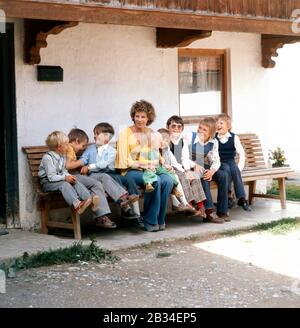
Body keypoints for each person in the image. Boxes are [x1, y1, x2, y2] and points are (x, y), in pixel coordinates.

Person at [115, 100, 174, 232]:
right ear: (133, 116)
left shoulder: (150, 132)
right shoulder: (125, 134)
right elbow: (124, 161)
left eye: (143, 117)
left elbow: (155, 153)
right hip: (130, 171)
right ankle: (150, 221)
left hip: (150, 168)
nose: (140, 119)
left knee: (168, 180)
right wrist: (144, 164)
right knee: (156, 180)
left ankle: (160, 219)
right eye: (137, 116)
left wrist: (163, 163)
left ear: (148, 118)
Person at [79, 123, 140, 220]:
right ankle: (125, 207)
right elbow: (83, 159)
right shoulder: (90, 149)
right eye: (94, 133)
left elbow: (104, 164)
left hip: (111, 173)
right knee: (113, 179)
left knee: (129, 179)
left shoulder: (112, 151)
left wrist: (89, 166)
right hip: (96, 175)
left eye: (97, 133)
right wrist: (80, 164)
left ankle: (135, 208)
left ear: (107, 138)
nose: (94, 136)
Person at [65, 128, 116, 229]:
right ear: (76, 141)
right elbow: (67, 166)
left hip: (72, 177)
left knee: (94, 189)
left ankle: (101, 217)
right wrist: (81, 163)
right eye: (82, 146)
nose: (82, 149)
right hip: (70, 177)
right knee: (96, 184)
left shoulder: (68, 148)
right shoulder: (70, 149)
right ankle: (102, 216)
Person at [38, 131, 95, 215]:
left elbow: (64, 171)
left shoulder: (62, 156)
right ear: (59, 147)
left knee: (74, 180)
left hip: (58, 180)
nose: (68, 145)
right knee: (65, 184)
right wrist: (65, 178)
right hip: (47, 183)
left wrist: (69, 176)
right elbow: (51, 177)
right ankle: (77, 205)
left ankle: (89, 199)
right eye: (66, 144)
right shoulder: (48, 158)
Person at [183, 118, 229, 223]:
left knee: (223, 175)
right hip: (190, 166)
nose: (201, 131)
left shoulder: (214, 142)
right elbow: (183, 157)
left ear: (211, 133)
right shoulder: (190, 137)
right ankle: (209, 212)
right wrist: (194, 165)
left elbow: (216, 160)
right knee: (204, 176)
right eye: (200, 128)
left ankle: (222, 210)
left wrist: (212, 171)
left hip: (203, 165)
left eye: (205, 130)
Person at [166, 116, 207, 217]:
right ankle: (188, 205)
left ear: (182, 129)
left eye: (179, 127)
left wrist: (188, 170)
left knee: (194, 176)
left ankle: (201, 206)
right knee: (184, 176)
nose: (176, 129)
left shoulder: (183, 141)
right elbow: (172, 161)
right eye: (173, 126)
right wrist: (184, 171)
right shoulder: (166, 141)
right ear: (168, 127)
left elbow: (185, 158)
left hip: (181, 167)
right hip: (170, 168)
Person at [216, 113, 251, 211]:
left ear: (228, 126)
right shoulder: (214, 138)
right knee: (226, 169)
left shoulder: (234, 137)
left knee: (234, 169)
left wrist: (239, 168)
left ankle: (241, 198)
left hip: (230, 161)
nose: (218, 125)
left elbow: (242, 154)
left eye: (221, 123)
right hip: (219, 162)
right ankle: (228, 196)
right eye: (217, 123)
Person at [158, 128, 197, 214]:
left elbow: (174, 163)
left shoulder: (167, 150)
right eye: (161, 139)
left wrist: (181, 170)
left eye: (166, 140)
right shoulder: (155, 151)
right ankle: (179, 202)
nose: (163, 142)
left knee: (176, 176)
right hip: (159, 173)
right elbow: (156, 165)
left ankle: (185, 203)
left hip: (168, 172)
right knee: (173, 178)